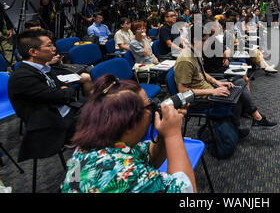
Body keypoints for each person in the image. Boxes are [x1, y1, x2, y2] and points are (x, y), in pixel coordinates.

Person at [61, 74, 196, 193]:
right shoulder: (124, 173)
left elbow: (150, 157)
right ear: (129, 124)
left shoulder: (87, 148)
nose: (152, 111)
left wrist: (162, 134)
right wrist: (173, 134)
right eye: (149, 107)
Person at [174, 26, 277, 135]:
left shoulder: (195, 52)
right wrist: (213, 91)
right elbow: (183, 91)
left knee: (239, 84)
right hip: (199, 100)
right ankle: (252, 120)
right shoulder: (185, 60)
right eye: (206, 40)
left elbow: (203, 74)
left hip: (208, 89)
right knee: (236, 93)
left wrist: (218, 83)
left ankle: (249, 121)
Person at [8, 29, 82, 162]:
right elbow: (61, 95)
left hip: (65, 111)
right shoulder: (22, 77)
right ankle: (78, 174)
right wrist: (64, 93)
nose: (54, 49)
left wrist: (64, 92)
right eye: (49, 45)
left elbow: (66, 88)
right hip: (52, 123)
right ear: (33, 52)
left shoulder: (44, 67)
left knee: (110, 112)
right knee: (102, 128)